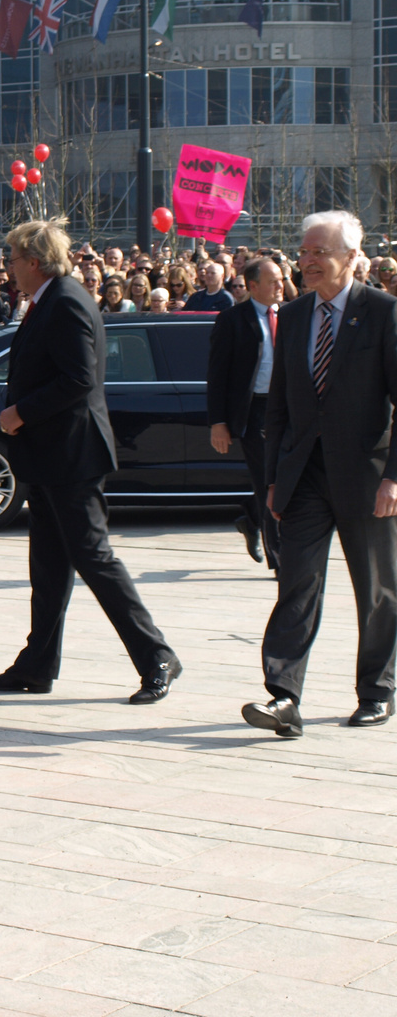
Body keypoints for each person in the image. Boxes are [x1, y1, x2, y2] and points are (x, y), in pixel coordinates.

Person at [0, 219, 182, 704]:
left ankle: (156, 656)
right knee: (48, 567)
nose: (7, 267)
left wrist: (19, 411)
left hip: (72, 454)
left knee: (94, 558)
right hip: (50, 454)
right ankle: (37, 664)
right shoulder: (50, 298)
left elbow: (77, 380)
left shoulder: (67, 300)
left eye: (11, 259)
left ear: (34, 261)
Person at [243, 211, 397, 738]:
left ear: (353, 258)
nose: (306, 262)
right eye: (303, 251)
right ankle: (283, 696)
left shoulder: (383, 313)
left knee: (375, 589)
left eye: (319, 253)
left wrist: (393, 479)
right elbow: (280, 406)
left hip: (366, 477)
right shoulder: (295, 314)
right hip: (304, 474)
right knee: (297, 583)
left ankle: (377, 691)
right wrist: (272, 480)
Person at [208, 256, 283, 571]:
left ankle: (251, 519)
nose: (281, 285)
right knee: (270, 482)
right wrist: (218, 422)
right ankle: (281, 560)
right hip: (254, 412)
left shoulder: (292, 315)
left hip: (288, 409)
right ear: (253, 286)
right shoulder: (232, 320)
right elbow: (217, 374)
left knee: (290, 478)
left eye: (282, 278)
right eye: (273, 281)